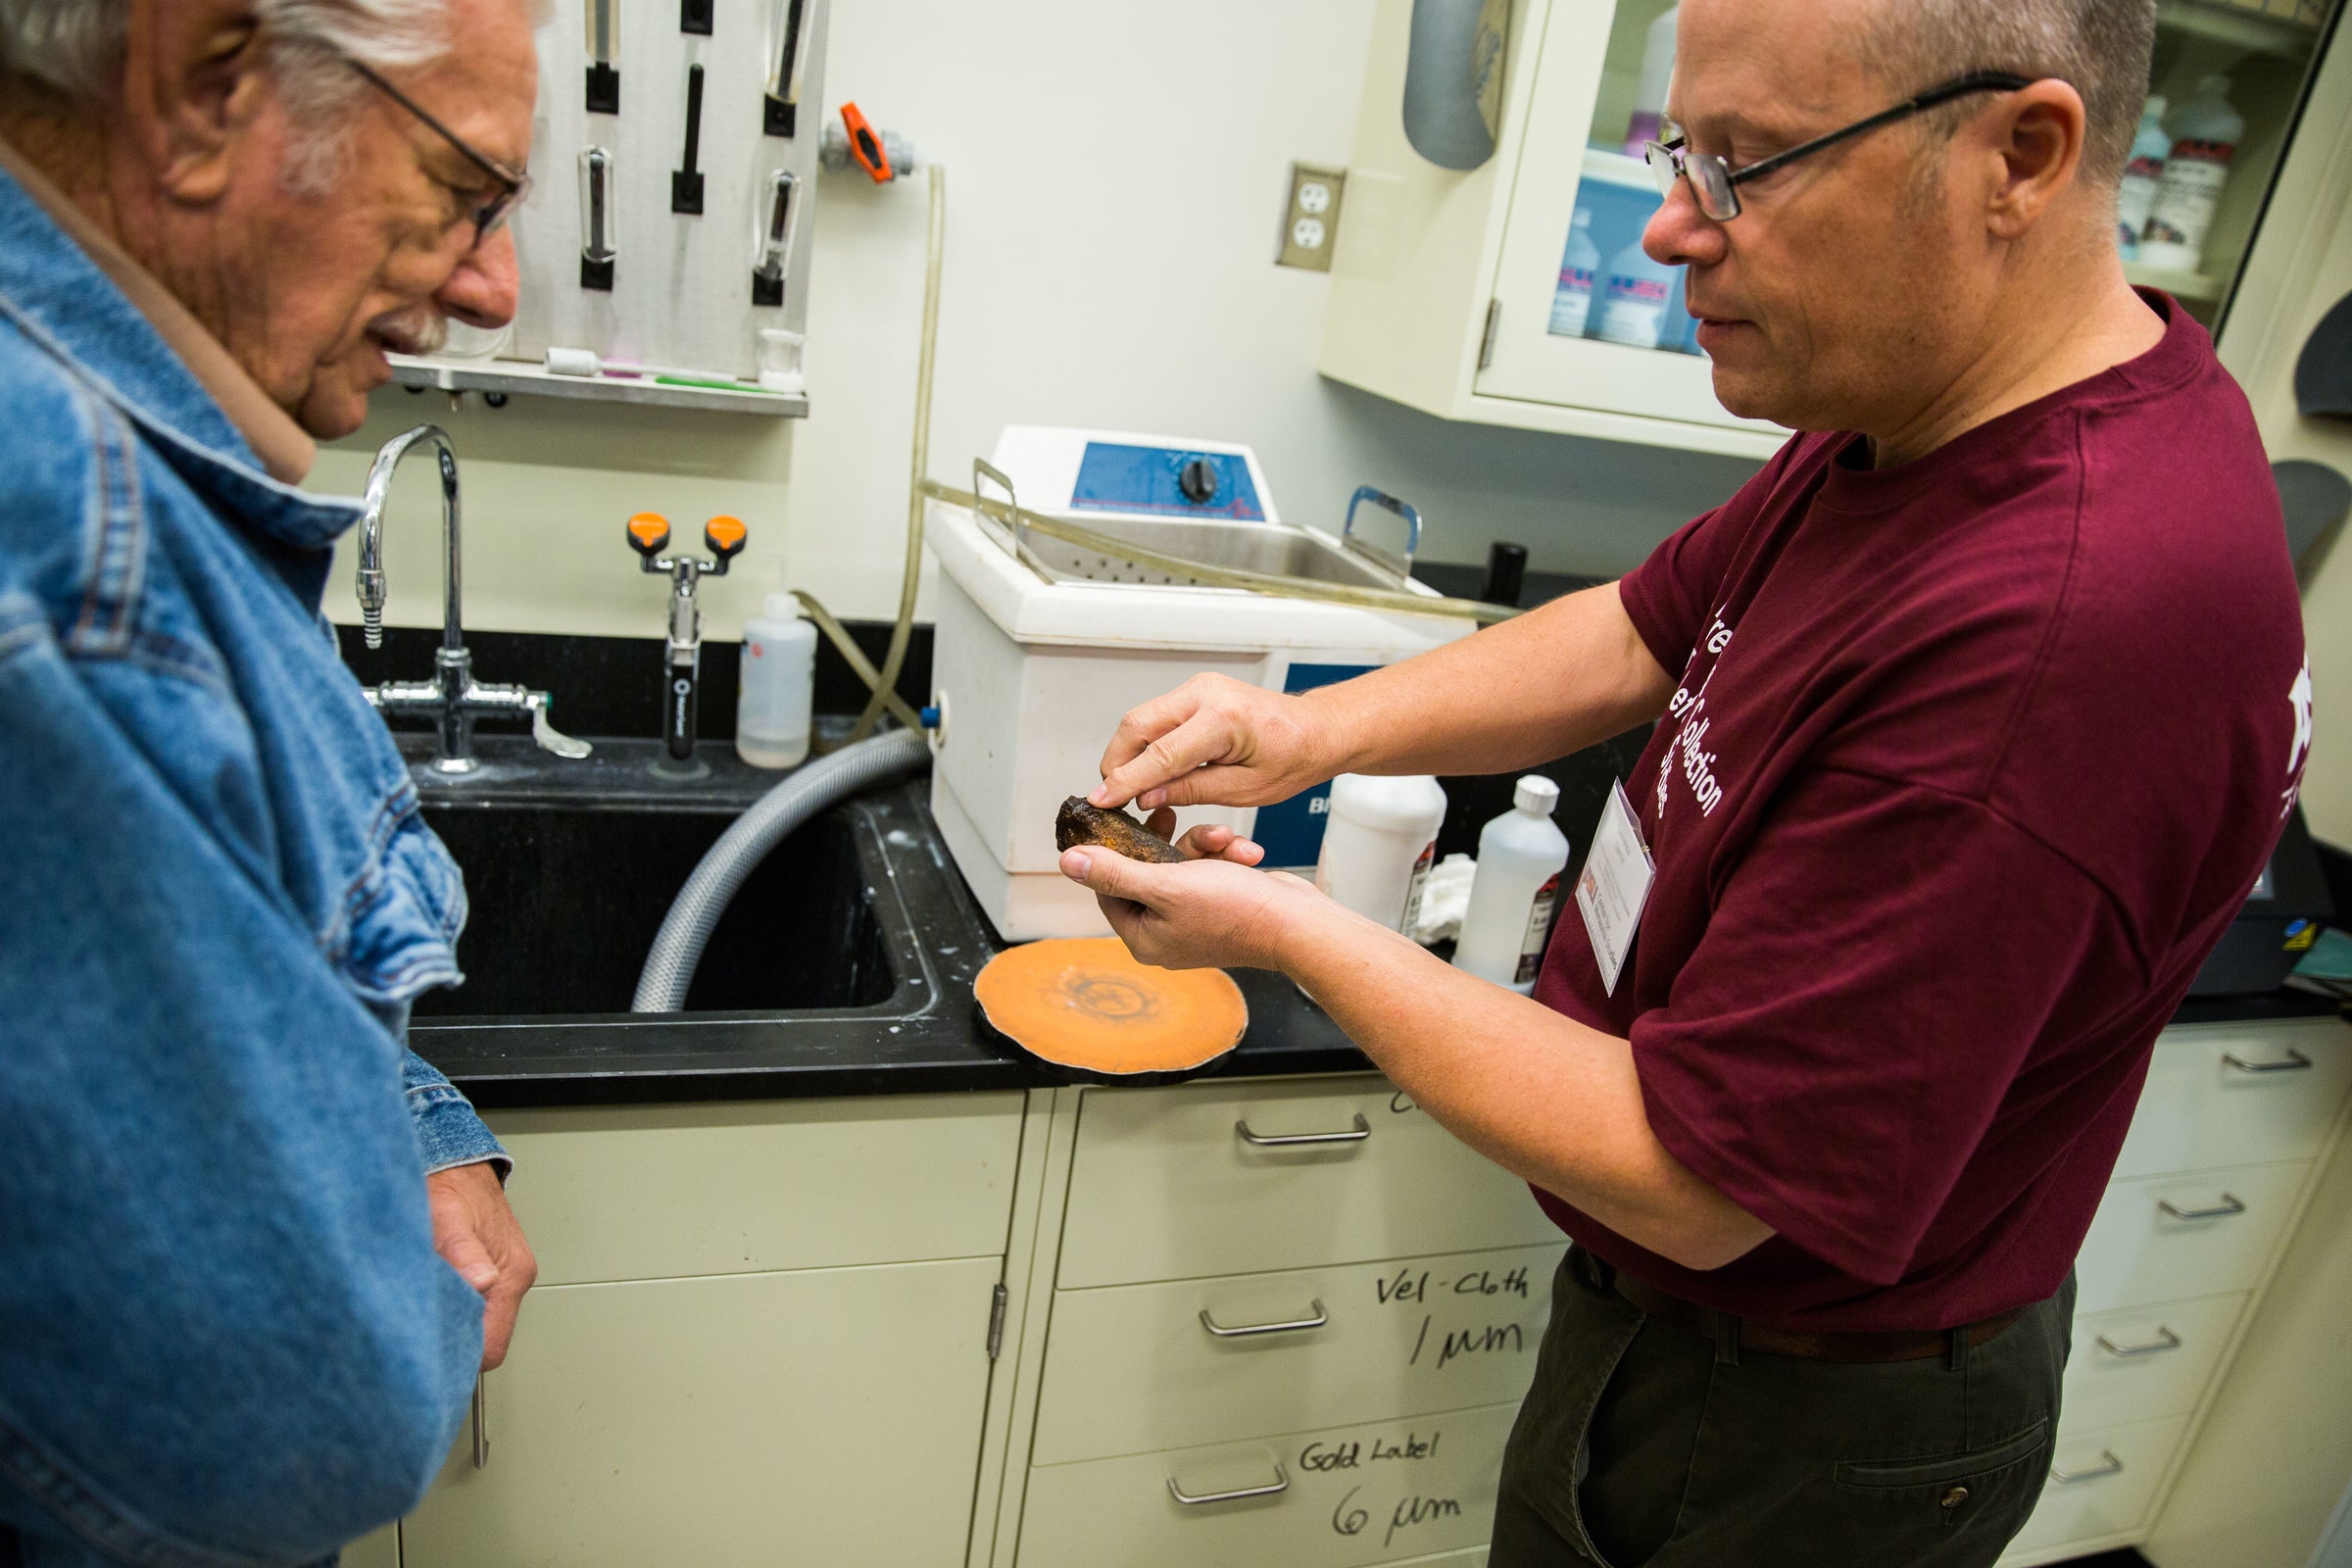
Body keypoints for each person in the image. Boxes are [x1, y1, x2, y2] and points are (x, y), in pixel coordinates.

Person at [1060, 1, 2308, 1564]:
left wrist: (1293, 930)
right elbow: (1645, 625)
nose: (1667, 230)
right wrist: (1307, 730)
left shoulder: (2065, 623)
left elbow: (1697, 1173)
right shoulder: (1922, 403)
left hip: (1802, 1426)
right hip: (1692, 1324)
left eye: (1743, 168)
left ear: (2022, 154)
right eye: (1679, 154)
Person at [0, 0, 541, 1559]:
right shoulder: (66, 554)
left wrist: (409, 1120)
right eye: (467, 191)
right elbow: (311, 1420)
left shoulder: (137, 488)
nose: (493, 288)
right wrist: (402, 1272)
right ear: (197, 84)